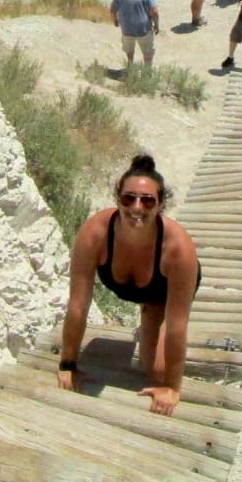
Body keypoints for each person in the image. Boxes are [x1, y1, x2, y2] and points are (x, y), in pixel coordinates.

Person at [57, 155, 200, 416]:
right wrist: (68, 363)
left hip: (161, 291)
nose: (137, 207)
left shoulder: (179, 250)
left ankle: (150, 316)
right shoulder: (95, 234)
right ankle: (147, 321)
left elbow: (178, 326)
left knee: (156, 370)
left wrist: (171, 387)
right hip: (130, 283)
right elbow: (78, 304)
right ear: (117, 199)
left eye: (147, 200)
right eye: (128, 198)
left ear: (160, 205)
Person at [110, 0, 159, 68]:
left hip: (127, 28)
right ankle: (147, 72)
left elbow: (112, 10)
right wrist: (157, 25)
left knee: (129, 49)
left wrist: (115, 20)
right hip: (143, 29)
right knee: (148, 52)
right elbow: (154, 11)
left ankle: (130, 67)